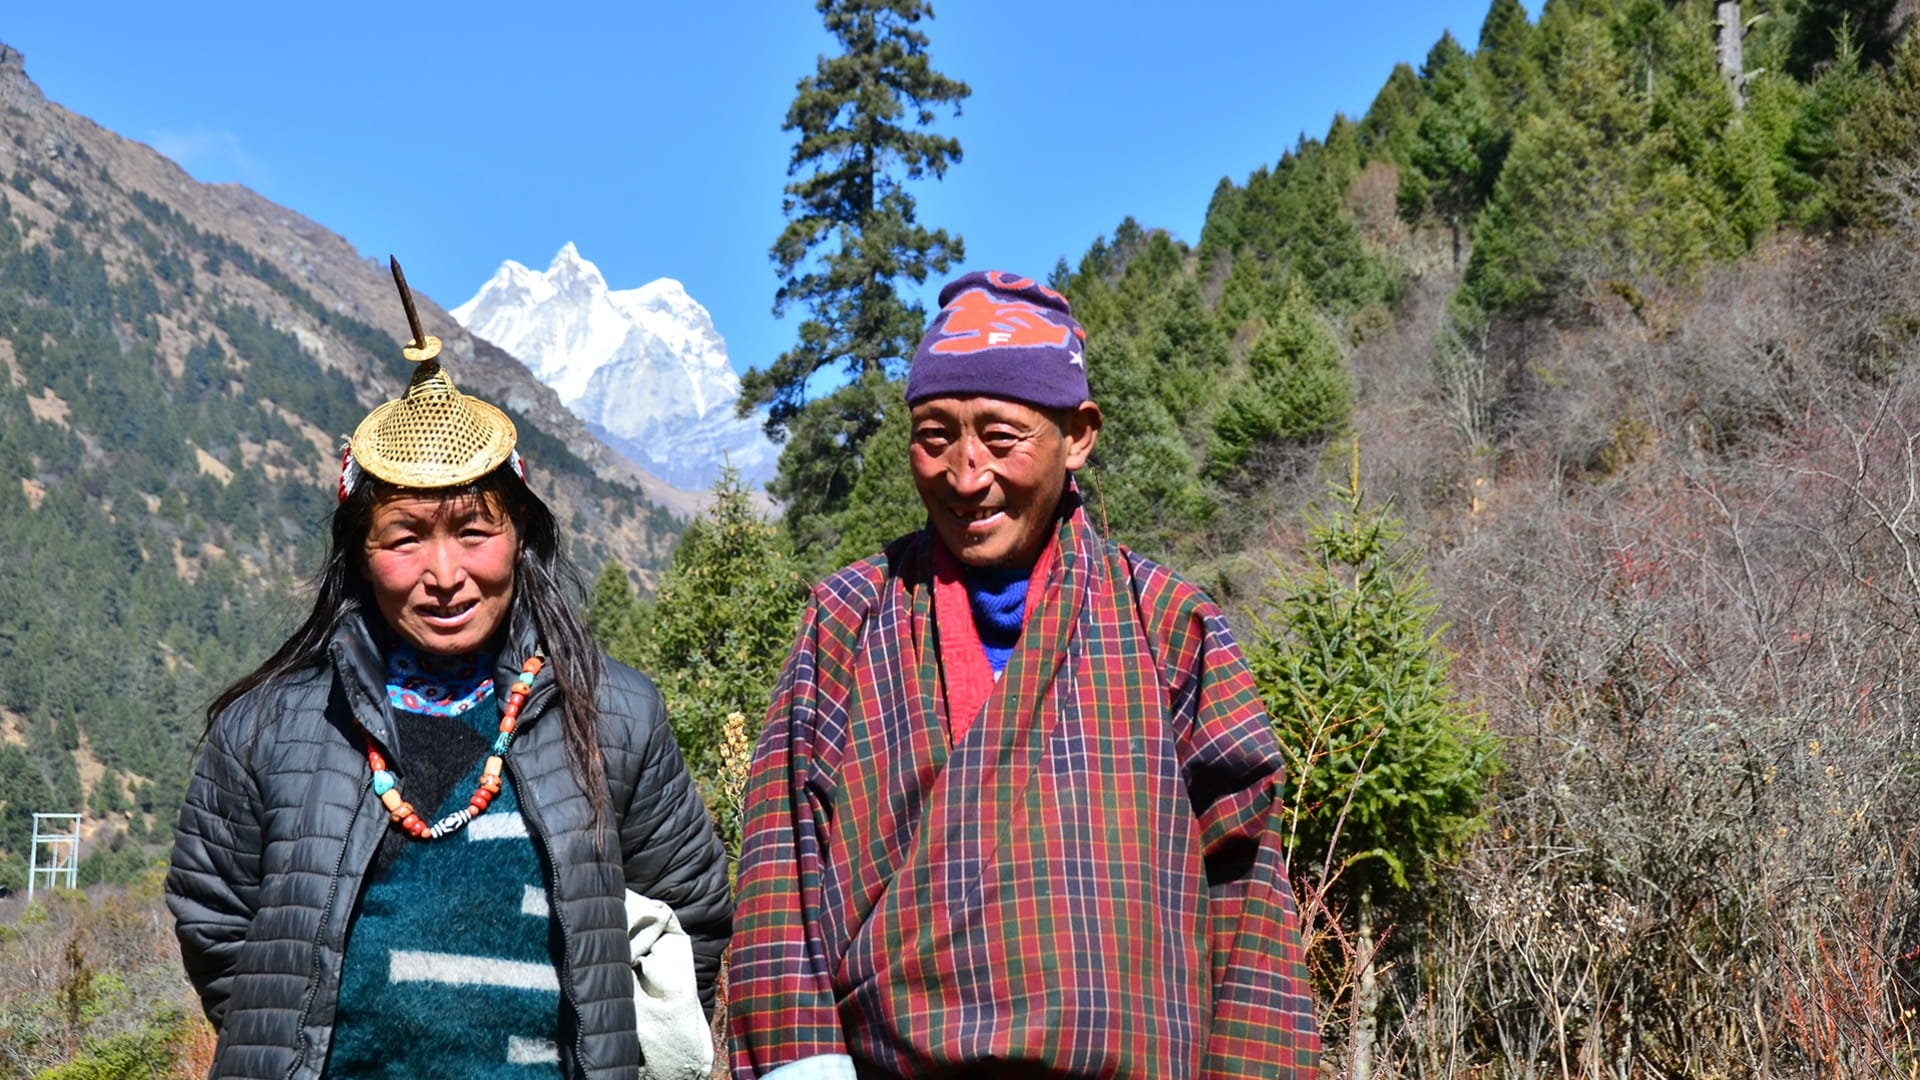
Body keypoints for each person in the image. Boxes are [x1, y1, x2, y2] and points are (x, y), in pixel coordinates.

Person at [728, 270, 1320, 1079]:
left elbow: (1248, 897)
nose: (966, 475)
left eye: (1001, 439)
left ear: (1078, 435)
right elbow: (778, 889)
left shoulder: (1169, 626)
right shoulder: (847, 622)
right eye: (935, 438)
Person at [166, 262, 731, 1080]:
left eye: (475, 530)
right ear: (360, 557)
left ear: (522, 537)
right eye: (404, 537)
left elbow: (689, 919)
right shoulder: (271, 728)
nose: (444, 572)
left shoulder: (615, 716)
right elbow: (218, 927)